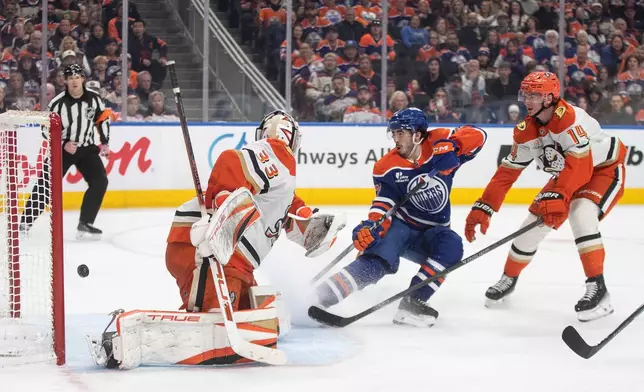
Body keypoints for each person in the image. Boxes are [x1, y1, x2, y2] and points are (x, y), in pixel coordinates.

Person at [464, 72, 627, 322]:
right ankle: (509, 277)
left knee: (581, 213)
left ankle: (599, 287)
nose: (527, 100)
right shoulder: (527, 130)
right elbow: (507, 172)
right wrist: (484, 206)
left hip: (602, 170)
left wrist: (559, 195)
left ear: (550, 97)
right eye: (525, 94)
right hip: (568, 173)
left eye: (534, 95)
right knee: (531, 225)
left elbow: (582, 165)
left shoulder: (568, 119)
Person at [314, 108, 487, 327]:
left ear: (417, 134)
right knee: (377, 259)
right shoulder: (386, 166)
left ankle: (412, 304)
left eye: (401, 133)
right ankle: (322, 296)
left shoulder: (440, 141)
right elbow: (384, 202)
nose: (395, 138)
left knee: (452, 246)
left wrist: (455, 146)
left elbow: (479, 135)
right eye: (393, 133)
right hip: (401, 227)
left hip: (433, 233)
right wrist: (372, 225)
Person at [166, 110, 344, 315]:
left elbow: (298, 221)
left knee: (252, 313)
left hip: (234, 262)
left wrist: (322, 230)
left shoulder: (281, 188)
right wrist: (223, 208)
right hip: (207, 249)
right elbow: (232, 160)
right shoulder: (277, 153)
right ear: (294, 140)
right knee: (215, 318)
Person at [20, 64, 111, 240]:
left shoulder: (94, 99)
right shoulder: (57, 103)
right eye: (70, 78)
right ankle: (25, 223)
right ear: (66, 81)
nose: (74, 81)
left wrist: (105, 143)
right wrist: (63, 143)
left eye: (77, 77)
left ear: (83, 79)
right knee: (46, 184)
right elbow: (46, 130)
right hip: (63, 149)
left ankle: (85, 223)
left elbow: (103, 119)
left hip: (87, 148)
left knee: (100, 181)